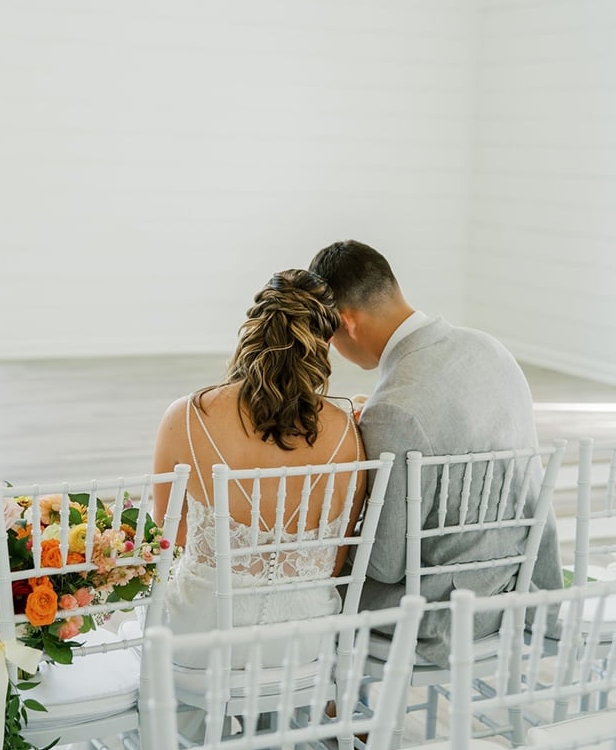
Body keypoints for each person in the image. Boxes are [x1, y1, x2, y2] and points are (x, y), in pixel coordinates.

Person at [309, 239, 562, 666]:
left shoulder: (393, 408)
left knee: (291, 593)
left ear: (347, 323)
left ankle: (309, 717)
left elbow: (385, 564)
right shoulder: (490, 349)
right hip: (516, 586)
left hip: (441, 612)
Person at [152, 268, 366, 668]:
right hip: (303, 644)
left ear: (252, 330)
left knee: (145, 619)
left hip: (204, 639)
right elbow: (337, 558)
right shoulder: (349, 433)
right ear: (323, 344)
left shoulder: (185, 416)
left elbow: (171, 537)